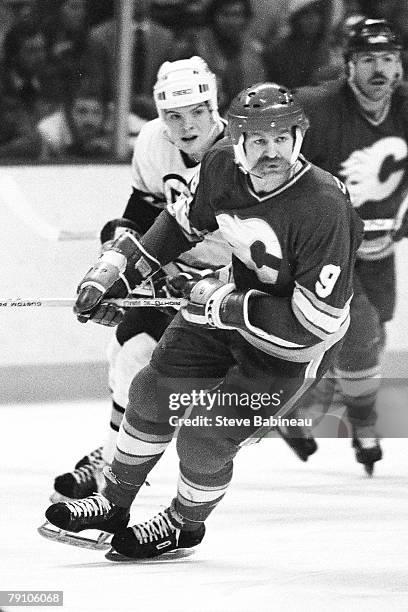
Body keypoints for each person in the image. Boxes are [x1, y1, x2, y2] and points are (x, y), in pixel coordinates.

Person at [44, 82, 363, 559]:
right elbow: (179, 225)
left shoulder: (324, 207)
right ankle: (112, 503)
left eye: (281, 138)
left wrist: (222, 304)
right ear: (237, 141)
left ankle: (183, 525)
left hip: (291, 346)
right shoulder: (219, 166)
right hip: (227, 306)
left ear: (299, 137)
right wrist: (119, 269)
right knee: (151, 391)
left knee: (205, 435)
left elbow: (312, 323)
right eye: (258, 140)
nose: (270, 152)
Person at [48, 56, 231, 501]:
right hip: (177, 274)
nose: (186, 126)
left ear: (214, 106)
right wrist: (115, 260)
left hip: (234, 289)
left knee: (217, 409)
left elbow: (267, 243)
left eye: (197, 112)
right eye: (173, 115)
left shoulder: (240, 156)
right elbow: (141, 214)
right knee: (129, 354)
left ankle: (140, 475)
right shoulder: (153, 141)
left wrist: (211, 283)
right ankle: (113, 464)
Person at [296, 18, 408, 473]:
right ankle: (363, 428)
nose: (378, 70)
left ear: (399, 66)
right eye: (367, 60)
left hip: (381, 246)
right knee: (359, 332)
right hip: (329, 249)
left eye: (387, 59)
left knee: (374, 330)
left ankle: (300, 411)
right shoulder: (318, 108)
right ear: (348, 67)